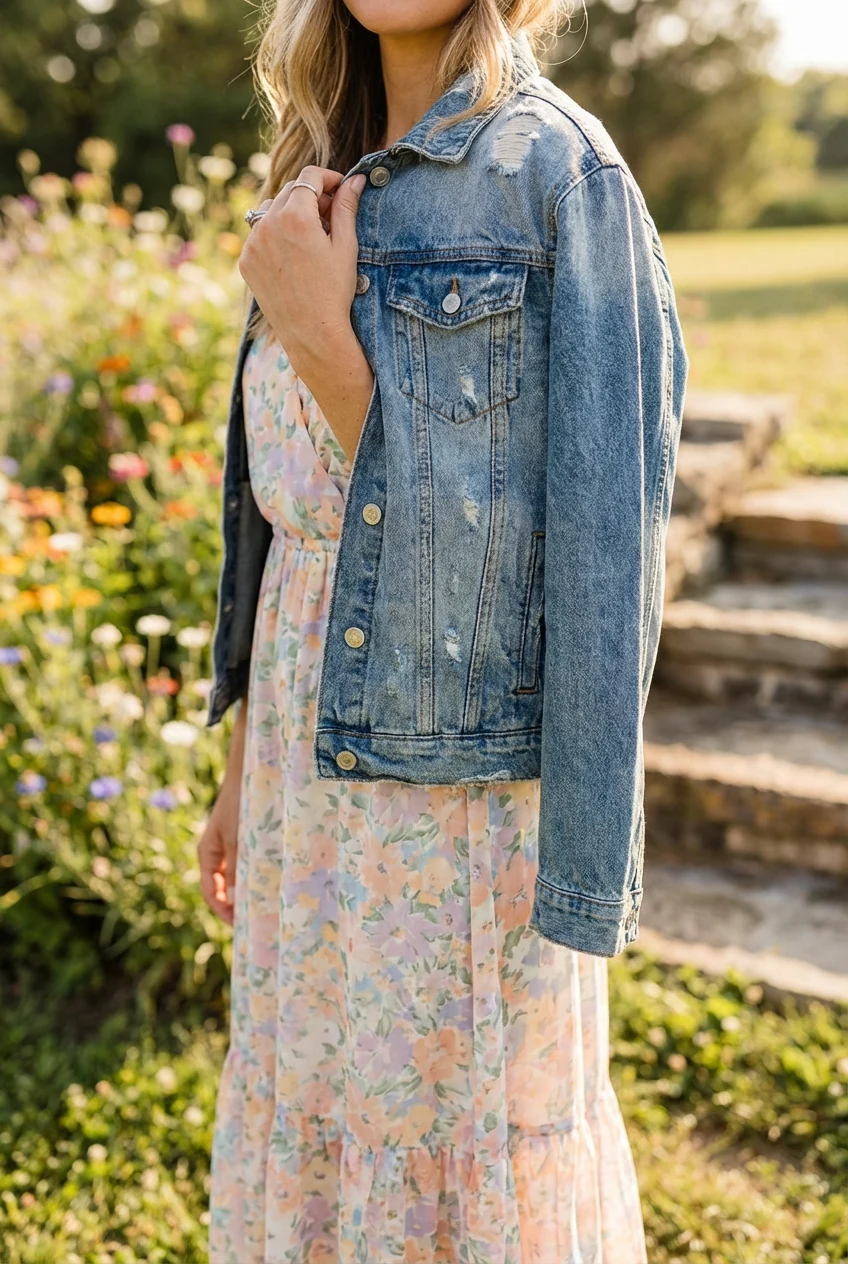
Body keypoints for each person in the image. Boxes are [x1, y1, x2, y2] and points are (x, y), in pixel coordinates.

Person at [198, 0, 688, 1259]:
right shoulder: (315, 165)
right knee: (318, 1120)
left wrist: (322, 337)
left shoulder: (559, 178)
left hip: (457, 792)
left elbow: (579, 566)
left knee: (453, 1158)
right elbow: (286, 524)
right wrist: (242, 762)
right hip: (302, 783)